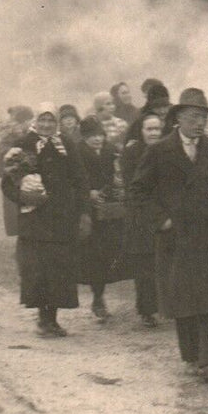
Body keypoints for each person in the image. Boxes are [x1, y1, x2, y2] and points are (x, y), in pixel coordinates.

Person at [128, 88, 208, 384]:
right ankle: (192, 357)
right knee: (185, 302)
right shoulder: (159, 151)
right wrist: (160, 220)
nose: (200, 123)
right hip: (176, 238)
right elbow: (138, 191)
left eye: (203, 117)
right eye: (193, 116)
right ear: (178, 118)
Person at [1, 108, 82, 336]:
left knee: (58, 269)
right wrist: (23, 197)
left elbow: (80, 178)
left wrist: (82, 210)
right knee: (37, 269)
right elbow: (7, 183)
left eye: (51, 120)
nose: (46, 125)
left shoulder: (66, 144)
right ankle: (42, 318)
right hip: (34, 219)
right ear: (36, 122)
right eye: (42, 120)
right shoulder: (23, 144)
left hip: (61, 217)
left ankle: (52, 318)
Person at [119, 112, 166, 325]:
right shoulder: (131, 153)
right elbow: (134, 186)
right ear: (141, 131)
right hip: (140, 214)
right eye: (150, 129)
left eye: (157, 129)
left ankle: (164, 305)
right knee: (144, 265)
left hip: (163, 212)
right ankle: (147, 310)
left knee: (163, 262)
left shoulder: (167, 150)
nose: (154, 133)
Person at [78, 116, 125, 320]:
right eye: (91, 136)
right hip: (88, 212)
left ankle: (100, 295)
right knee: (93, 256)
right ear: (84, 137)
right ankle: (98, 298)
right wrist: (88, 193)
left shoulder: (110, 150)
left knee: (108, 253)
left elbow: (118, 175)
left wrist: (116, 184)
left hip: (109, 210)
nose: (96, 139)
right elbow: (73, 179)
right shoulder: (76, 152)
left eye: (99, 135)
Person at [0, 105, 35, 238]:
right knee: (19, 216)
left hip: (24, 182)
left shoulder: (27, 138)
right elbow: (0, 169)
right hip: (15, 183)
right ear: (21, 122)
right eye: (28, 120)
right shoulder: (8, 142)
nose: (30, 123)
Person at [124, 80, 172, 145]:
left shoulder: (175, 118)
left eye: (165, 107)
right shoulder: (139, 121)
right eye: (158, 107)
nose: (162, 111)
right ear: (150, 108)